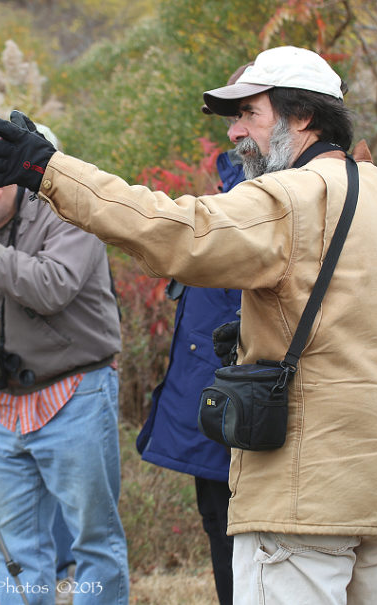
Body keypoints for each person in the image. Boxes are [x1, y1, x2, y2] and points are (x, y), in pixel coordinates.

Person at [0, 45, 377, 605]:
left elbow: (171, 230)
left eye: (249, 114)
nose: (235, 132)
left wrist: (49, 171)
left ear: (304, 116)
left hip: (302, 501)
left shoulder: (290, 197)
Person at [0, 132, 128, 605]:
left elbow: (51, 287)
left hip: (76, 395)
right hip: (2, 406)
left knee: (95, 544)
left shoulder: (71, 213)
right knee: (15, 550)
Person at [136, 149, 245, 605]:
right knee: (222, 535)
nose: (234, 130)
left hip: (251, 414)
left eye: (247, 112)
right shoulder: (228, 197)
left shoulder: (269, 200)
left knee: (255, 546)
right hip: (213, 412)